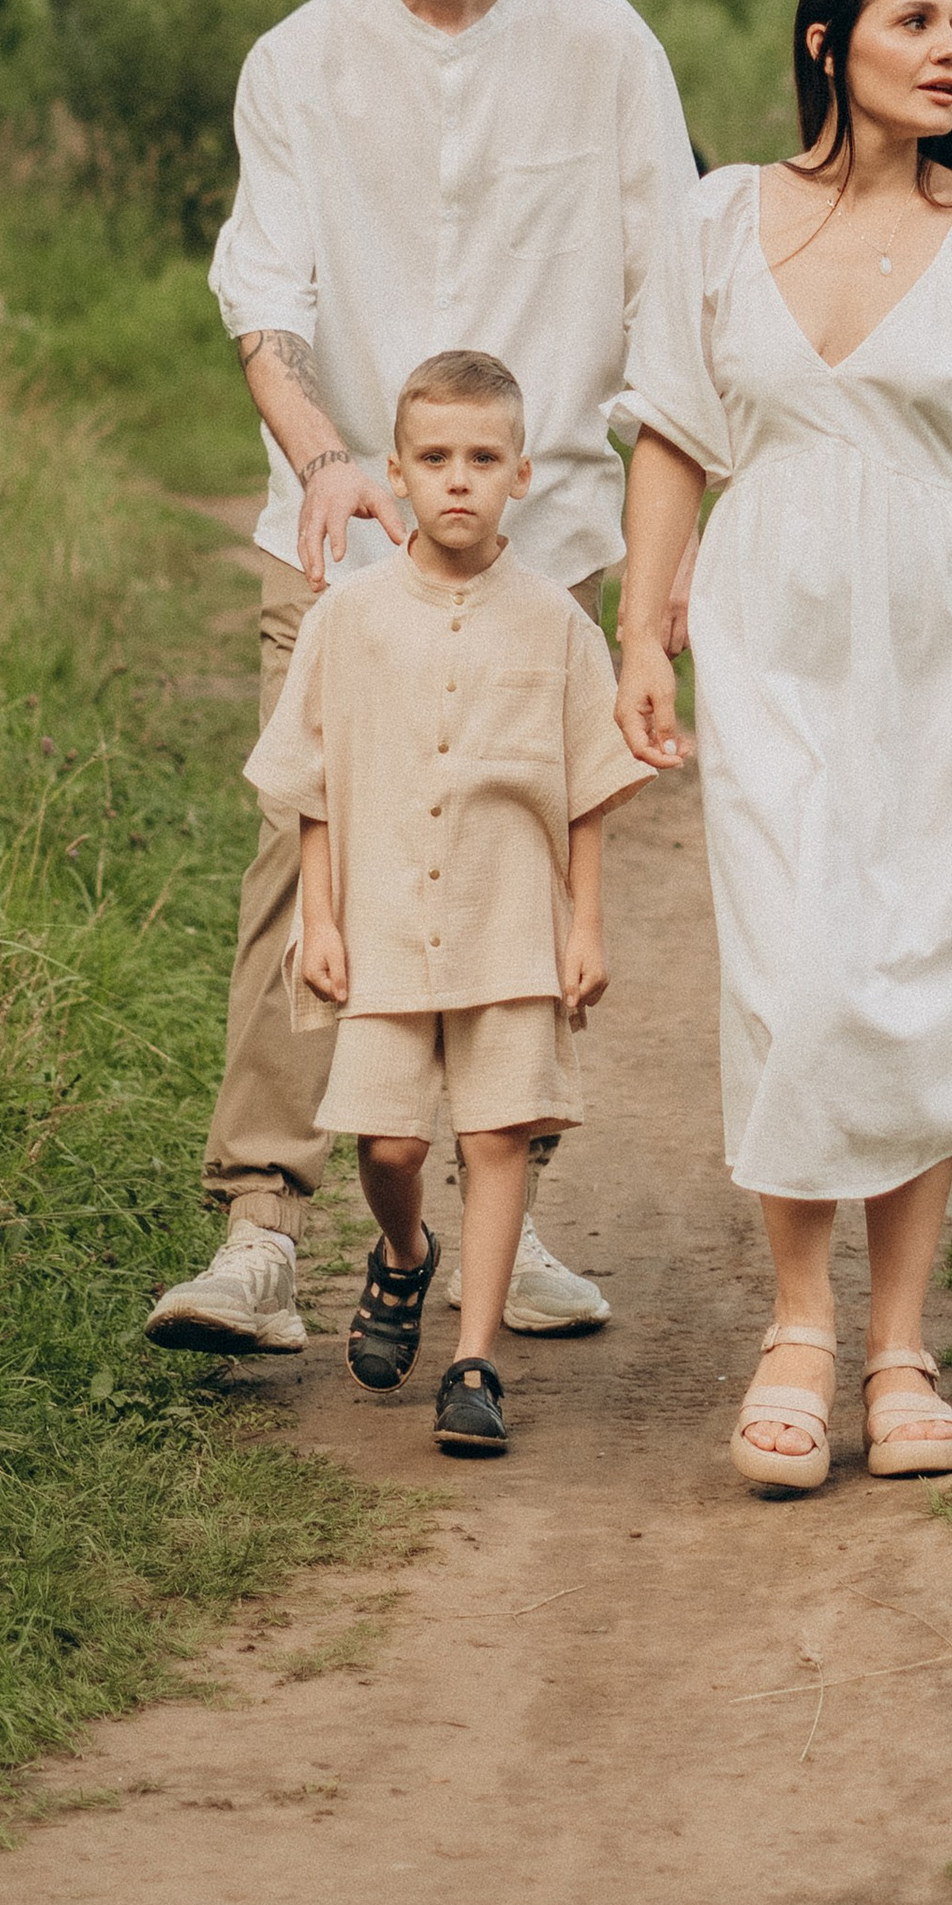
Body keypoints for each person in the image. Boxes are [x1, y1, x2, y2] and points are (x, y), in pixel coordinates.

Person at [146, 0, 697, 1358]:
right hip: (341, 538)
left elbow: (671, 300)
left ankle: (499, 1227)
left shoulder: (604, 46)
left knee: (515, 863)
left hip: (547, 536)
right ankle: (261, 1228)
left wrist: (658, 573)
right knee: (302, 845)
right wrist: (326, 460)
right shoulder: (299, 61)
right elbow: (264, 299)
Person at [613, 0, 952, 1494]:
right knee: (800, 970)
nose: (950, 48)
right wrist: (640, 630)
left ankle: (899, 1349)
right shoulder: (718, 217)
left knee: (924, 979)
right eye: (914, 20)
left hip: (948, 635)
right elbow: (673, 435)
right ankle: (795, 1327)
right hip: (774, 628)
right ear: (829, 43)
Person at [249, 351, 652, 1456]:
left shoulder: (556, 624)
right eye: (434, 458)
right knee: (388, 1145)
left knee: (497, 1136)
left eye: (483, 458)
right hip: (381, 920)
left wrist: (584, 925)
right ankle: (404, 1255)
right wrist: (319, 919)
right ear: (397, 471)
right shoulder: (350, 617)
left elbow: (587, 789)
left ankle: (473, 1362)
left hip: (509, 921)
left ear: (522, 473)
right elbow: (313, 784)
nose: (458, 479)